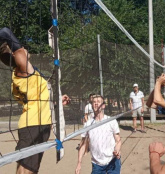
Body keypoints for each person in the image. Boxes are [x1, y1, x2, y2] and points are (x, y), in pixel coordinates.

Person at [0, 27, 70, 174]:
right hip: (33, 125)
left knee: (30, 169)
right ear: (15, 54)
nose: (24, 48)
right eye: (20, 49)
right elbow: (5, 32)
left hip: (37, 124)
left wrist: (56, 103)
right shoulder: (24, 70)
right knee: (26, 171)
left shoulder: (25, 73)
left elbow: (37, 99)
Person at [75, 95, 121, 174]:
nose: (96, 104)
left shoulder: (111, 121)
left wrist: (117, 150)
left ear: (103, 105)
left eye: (98, 102)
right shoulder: (88, 124)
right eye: (94, 102)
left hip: (112, 161)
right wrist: (79, 164)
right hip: (97, 164)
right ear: (92, 105)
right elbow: (82, 145)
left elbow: (118, 140)